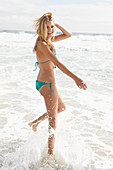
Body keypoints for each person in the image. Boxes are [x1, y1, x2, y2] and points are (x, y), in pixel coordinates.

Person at [28, 12, 87, 155]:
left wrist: (55, 24)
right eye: (47, 28)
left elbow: (69, 35)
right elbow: (58, 64)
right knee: (53, 123)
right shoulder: (42, 44)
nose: (50, 31)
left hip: (43, 82)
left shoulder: (48, 40)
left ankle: (35, 123)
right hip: (48, 85)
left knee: (61, 108)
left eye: (51, 27)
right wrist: (76, 78)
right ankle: (50, 156)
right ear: (41, 29)